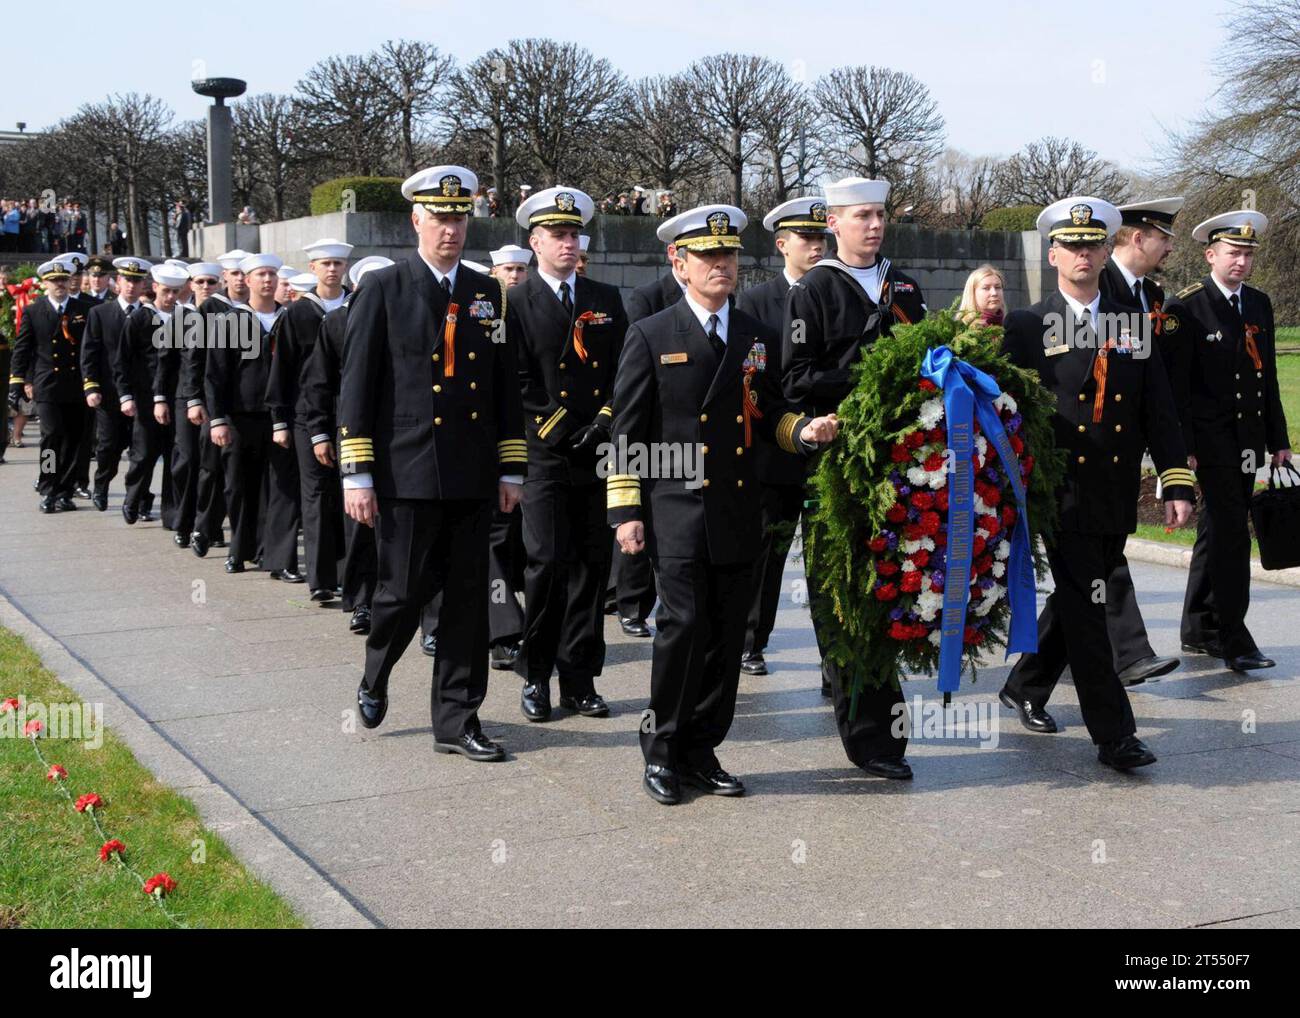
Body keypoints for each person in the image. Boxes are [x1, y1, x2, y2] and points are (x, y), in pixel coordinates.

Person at [610, 202, 839, 805]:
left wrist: (804, 431)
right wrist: (626, 512)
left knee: (726, 637)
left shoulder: (753, 337)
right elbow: (628, 433)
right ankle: (662, 749)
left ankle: (702, 748)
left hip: (740, 509)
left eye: (729, 255)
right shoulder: (652, 334)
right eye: (708, 256)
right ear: (678, 263)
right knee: (682, 630)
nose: (722, 265)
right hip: (677, 509)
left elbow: (770, 414)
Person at [998, 197, 1195, 770]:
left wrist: (1176, 481)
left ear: (1108, 251)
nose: (1083, 254)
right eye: (1072, 245)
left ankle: (1027, 684)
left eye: (1093, 245)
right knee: (1090, 611)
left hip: (1114, 492)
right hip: (1062, 493)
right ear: (1053, 253)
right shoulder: (1027, 325)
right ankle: (1115, 736)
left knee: (1082, 595)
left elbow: (1158, 408)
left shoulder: (1132, 324)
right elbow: (1007, 411)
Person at [338, 164, 525, 761]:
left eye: (460, 216)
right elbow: (357, 386)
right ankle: (377, 671)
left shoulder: (485, 292)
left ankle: (458, 718)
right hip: (406, 470)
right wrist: (357, 474)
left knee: (470, 601)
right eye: (440, 217)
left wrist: (510, 467)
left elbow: (503, 387)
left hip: (471, 472)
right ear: (415, 219)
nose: (451, 228)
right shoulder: (383, 290)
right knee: (403, 591)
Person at [782, 175, 924, 779]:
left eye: (880, 215)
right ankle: (870, 741)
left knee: (892, 588)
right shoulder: (813, 291)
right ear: (833, 224)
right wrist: (874, 380)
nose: (874, 225)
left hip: (901, 462)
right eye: (861, 215)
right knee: (843, 599)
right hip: (837, 468)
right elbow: (796, 380)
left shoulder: (907, 286)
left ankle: (888, 729)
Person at [509, 185, 627, 722]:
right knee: (546, 566)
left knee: (590, 569)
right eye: (558, 234)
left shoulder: (604, 299)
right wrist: (554, 425)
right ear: (535, 241)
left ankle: (579, 678)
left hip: (595, 452)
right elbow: (515, 375)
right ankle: (536, 674)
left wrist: (604, 419)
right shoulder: (514, 301)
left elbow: (625, 370)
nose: (569, 243)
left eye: (575, 234)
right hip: (545, 454)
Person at [1163, 209, 1292, 673]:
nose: (1240, 262)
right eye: (1232, 253)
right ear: (1210, 254)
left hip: (1248, 438)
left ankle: (1198, 627)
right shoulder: (1186, 306)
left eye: (1247, 254)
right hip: (1209, 439)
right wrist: (1184, 449)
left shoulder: (1258, 303)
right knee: (1233, 536)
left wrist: (1278, 438)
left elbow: (1267, 376)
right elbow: (1177, 388)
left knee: (1215, 531)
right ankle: (1234, 637)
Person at [1083, 196, 1189, 686]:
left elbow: (1156, 390)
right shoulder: (1094, 290)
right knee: (1102, 564)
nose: (1169, 246)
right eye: (1163, 237)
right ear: (1138, 237)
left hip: (1127, 454)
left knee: (1090, 576)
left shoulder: (1152, 296)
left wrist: (1174, 470)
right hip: (1089, 457)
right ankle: (1130, 653)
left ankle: (1029, 679)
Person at [737, 195, 829, 677]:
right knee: (767, 553)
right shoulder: (756, 302)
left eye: (820, 238)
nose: (816, 247)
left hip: (829, 447)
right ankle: (751, 641)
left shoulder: (836, 292)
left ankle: (835, 661)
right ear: (782, 245)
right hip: (775, 449)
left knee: (829, 561)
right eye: (806, 239)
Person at [302, 255, 394, 635]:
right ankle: (361, 600)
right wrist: (320, 433)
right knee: (360, 522)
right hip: (354, 431)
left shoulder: (404, 318)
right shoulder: (337, 322)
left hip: (400, 433)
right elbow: (318, 383)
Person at [267, 238, 355, 599]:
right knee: (317, 495)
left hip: (350, 413)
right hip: (307, 417)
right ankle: (320, 581)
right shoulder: (297, 314)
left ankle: (350, 575)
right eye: (325, 264)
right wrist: (280, 420)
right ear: (312, 269)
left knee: (350, 494)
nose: (333, 269)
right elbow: (283, 370)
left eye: (338, 263)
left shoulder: (360, 305)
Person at [612, 238, 690, 636]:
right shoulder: (646, 298)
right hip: (651, 436)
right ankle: (631, 604)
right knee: (635, 521)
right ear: (675, 257)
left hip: (688, 443)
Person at [206, 253, 287, 575]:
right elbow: (215, 374)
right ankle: (239, 549)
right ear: (248, 280)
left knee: (275, 488)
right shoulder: (231, 321)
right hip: (240, 418)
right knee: (238, 487)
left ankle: (270, 552)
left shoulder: (288, 318)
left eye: (272, 275)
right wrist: (218, 418)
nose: (267, 280)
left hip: (278, 419)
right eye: (261, 275)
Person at [9, 260, 90, 511]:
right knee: (51, 436)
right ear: (45, 283)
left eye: (63, 280)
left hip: (76, 385)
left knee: (73, 440)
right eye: (54, 281)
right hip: (47, 385)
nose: (60, 285)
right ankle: (48, 486)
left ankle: (65, 490)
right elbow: (23, 349)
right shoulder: (34, 311)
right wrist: (17, 383)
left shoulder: (83, 309)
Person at [115, 263, 186, 525]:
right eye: (166, 291)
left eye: (176, 292)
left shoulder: (185, 318)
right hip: (146, 398)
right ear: (154, 287)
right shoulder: (139, 318)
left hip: (176, 396)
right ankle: (133, 497)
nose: (170, 297)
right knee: (144, 454)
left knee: (174, 457)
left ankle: (172, 513)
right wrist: (125, 396)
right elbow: (122, 360)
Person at [160, 261, 222, 548]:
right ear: (190, 285)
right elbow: (167, 362)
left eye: (211, 282)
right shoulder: (180, 318)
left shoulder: (226, 315)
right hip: (186, 399)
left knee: (212, 465)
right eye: (200, 282)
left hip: (216, 400)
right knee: (186, 462)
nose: (206, 287)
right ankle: (182, 521)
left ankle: (208, 525)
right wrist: (161, 398)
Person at [82, 256, 151, 514]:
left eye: (137, 281)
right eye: (127, 280)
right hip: (108, 394)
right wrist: (91, 386)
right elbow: (89, 353)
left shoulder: (149, 314)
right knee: (106, 447)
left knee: (141, 451)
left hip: (140, 394)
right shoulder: (99, 313)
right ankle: (53, 480)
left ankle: (139, 496)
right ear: (117, 282)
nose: (131, 286)